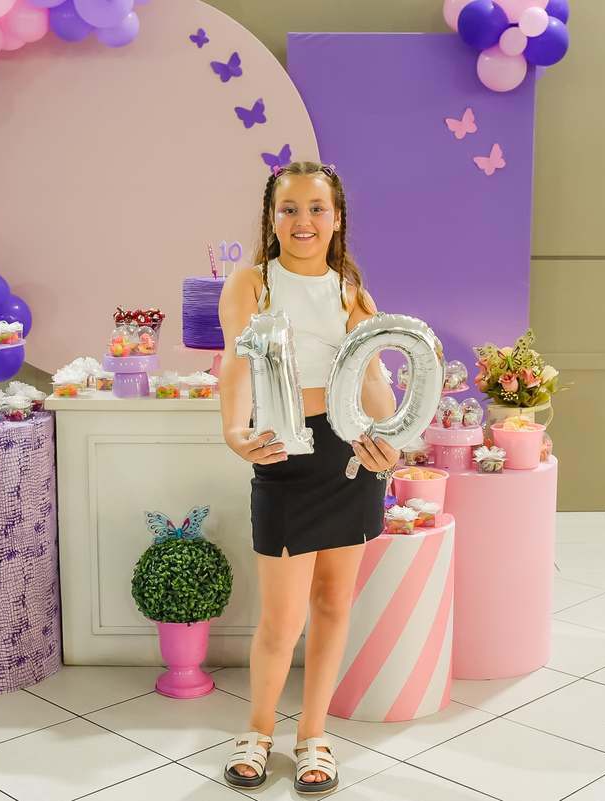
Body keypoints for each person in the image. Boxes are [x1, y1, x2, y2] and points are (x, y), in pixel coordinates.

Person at [219, 161, 398, 794]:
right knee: (281, 617)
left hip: (348, 452)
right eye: (289, 208)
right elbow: (235, 370)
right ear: (272, 217)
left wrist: (394, 445)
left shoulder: (351, 290)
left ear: (337, 218)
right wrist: (235, 434)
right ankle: (259, 733)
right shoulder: (251, 285)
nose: (303, 221)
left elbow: (374, 381)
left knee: (331, 603)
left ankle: (313, 736)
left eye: (316, 209)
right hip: (283, 453)